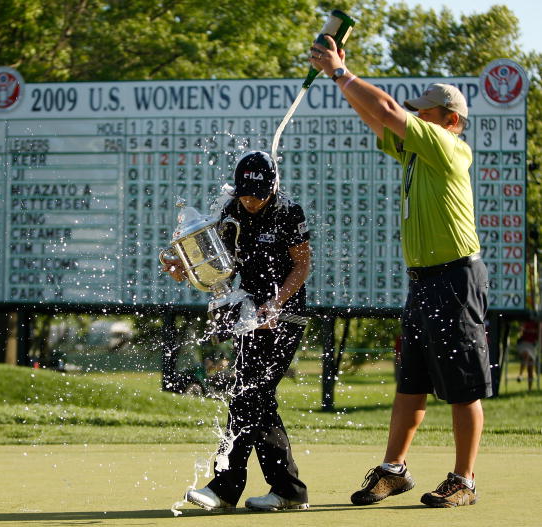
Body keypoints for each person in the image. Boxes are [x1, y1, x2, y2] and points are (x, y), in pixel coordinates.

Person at [310, 38, 492, 508]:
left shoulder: (447, 146)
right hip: (427, 281)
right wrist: (342, 75)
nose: (418, 118)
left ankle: (464, 480)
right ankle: (394, 471)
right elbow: (377, 117)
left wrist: (339, 74)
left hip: (456, 278)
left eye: (426, 113)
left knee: (463, 385)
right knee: (410, 382)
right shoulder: (418, 152)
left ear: (451, 120)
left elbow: (388, 109)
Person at [162, 151, 311, 512]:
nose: (251, 199)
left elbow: (302, 265)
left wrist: (276, 303)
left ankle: (226, 488)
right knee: (256, 399)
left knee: (248, 397)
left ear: (272, 188)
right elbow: (219, 265)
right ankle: (288, 490)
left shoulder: (289, 212)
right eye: (245, 192)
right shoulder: (231, 210)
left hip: (284, 315)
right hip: (248, 313)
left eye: (258, 193)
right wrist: (185, 268)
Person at [516, 320, 538, 391]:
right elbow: (520, 332)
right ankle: (521, 374)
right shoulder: (525, 321)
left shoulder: (538, 322)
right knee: (526, 354)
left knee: (530, 368)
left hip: (532, 345)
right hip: (523, 344)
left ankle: (529, 389)